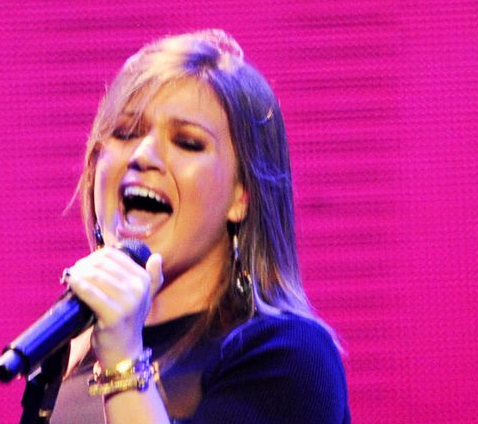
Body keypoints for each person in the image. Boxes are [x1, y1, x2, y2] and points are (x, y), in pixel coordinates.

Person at [48, 30, 350, 424]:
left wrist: (123, 363)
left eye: (187, 142)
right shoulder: (73, 347)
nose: (142, 155)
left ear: (241, 196)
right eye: (125, 133)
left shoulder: (288, 357)